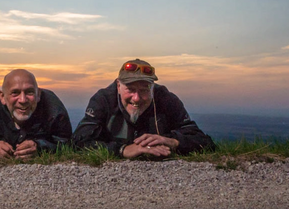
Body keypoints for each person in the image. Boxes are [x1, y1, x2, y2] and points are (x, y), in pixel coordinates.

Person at [73, 59, 214, 158]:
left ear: (153, 88)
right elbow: (78, 141)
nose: (136, 98)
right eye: (130, 89)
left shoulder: (166, 99)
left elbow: (204, 142)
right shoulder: (104, 100)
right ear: (118, 86)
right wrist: (123, 150)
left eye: (144, 90)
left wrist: (173, 141)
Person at [0, 69, 72, 159]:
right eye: (15, 93)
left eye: (29, 92)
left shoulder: (53, 108)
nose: (23, 100)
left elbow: (68, 146)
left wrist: (40, 147)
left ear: (38, 94)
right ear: (2, 97)